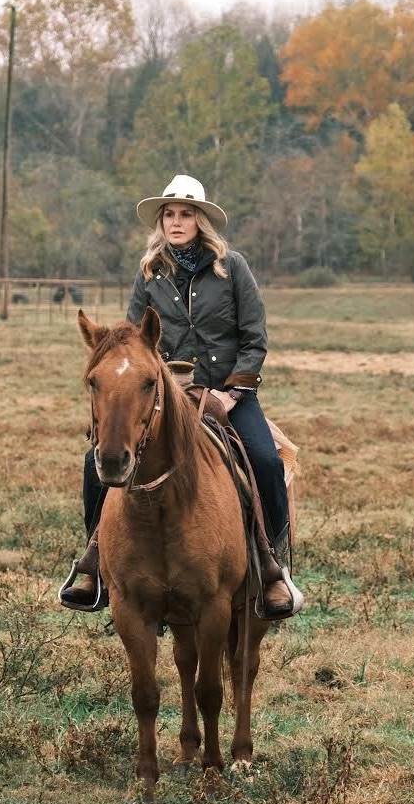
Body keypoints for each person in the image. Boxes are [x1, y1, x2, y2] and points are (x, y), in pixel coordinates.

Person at [59, 174, 304, 620]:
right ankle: (94, 560)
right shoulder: (149, 274)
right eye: (169, 214)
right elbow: (133, 341)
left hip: (229, 394)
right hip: (167, 395)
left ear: (200, 220)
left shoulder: (233, 268)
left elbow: (254, 338)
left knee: (266, 461)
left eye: (185, 214)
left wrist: (234, 393)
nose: (176, 222)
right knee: (97, 461)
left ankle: (272, 564)